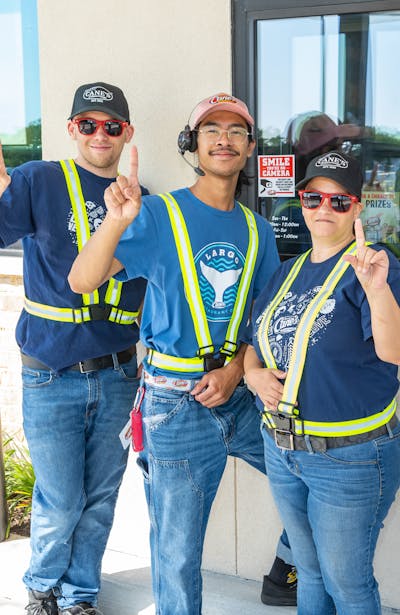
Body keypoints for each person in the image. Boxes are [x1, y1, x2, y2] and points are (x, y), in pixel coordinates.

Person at [68, 92, 297, 614]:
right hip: (174, 403)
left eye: (236, 131)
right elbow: (82, 280)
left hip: (238, 396)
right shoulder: (156, 214)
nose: (224, 138)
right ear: (192, 144)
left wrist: (238, 370)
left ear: (249, 148)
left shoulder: (258, 230)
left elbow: (258, 323)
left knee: (317, 474)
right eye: (211, 129)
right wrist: (117, 221)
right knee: (176, 555)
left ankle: (288, 570)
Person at [0, 81, 148, 615]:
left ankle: (80, 595)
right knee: (60, 500)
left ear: (126, 132)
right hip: (51, 370)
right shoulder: (39, 180)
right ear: (71, 129)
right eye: (88, 124)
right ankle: (41, 588)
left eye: (112, 125)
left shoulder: (141, 202)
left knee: (101, 497)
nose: (100, 134)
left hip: (117, 374)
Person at [244, 150, 400, 615]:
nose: (324, 209)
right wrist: (252, 375)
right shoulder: (287, 271)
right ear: (301, 202)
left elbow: (394, 352)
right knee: (308, 575)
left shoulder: (377, 266)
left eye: (338, 200)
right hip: (284, 450)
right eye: (314, 199)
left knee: (346, 584)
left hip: (350, 459)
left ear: (357, 207)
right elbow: (255, 341)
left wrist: (375, 291)